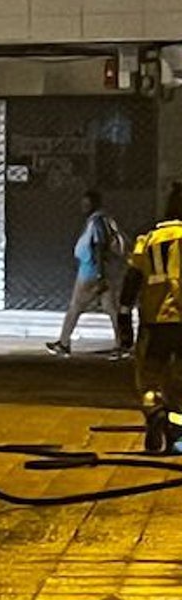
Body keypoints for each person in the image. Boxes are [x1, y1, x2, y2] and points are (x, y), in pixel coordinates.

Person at [119, 182, 182, 452]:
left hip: (154, 322)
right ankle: (177, 435)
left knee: (148, 378)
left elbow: (132, 279)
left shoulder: (147, 240)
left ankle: (154, 411)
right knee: (179, 382)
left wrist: (123, 315)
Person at [47, 190, 125, 358]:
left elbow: (98, 245)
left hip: (90, 271)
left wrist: (98, 273)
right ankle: (121, 344)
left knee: (75, 307)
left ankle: (64, 343)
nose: (83, 207)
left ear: (94, 204)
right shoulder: (103, 219)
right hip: (102, 270)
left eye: (86, 204)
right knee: (111, 309)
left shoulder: (96, 221)